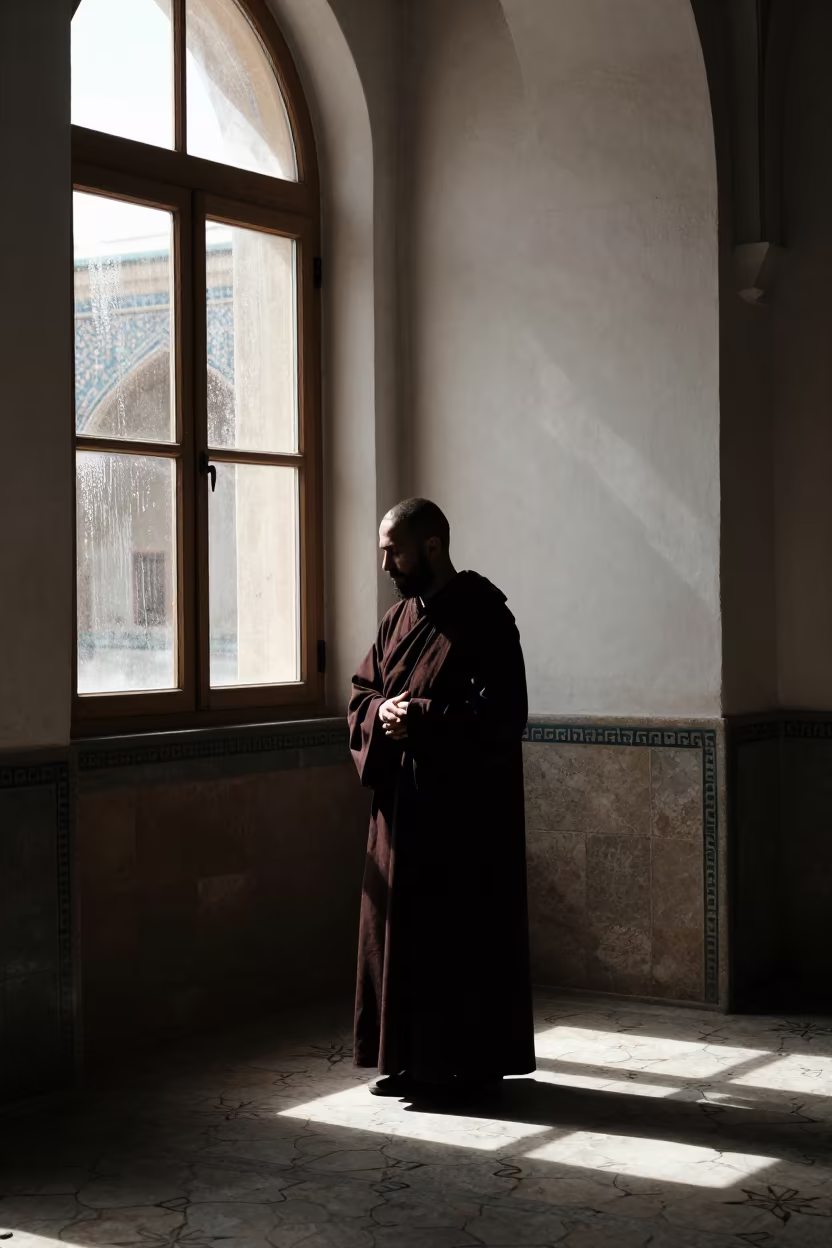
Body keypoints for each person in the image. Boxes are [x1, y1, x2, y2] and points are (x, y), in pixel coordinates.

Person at [347, 497, 535, 1101]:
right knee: (401, 936)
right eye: (382, 551)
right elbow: (360, 695)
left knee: (458, 938)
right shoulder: (397, 621)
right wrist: (384, 711)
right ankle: (405, 1060)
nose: (385, 565)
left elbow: (504, 715)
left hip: (463, 820)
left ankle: (466, 1067)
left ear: (431, 546)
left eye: (393, 550)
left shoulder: (484, 616)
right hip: (402, 813)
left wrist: (421, 719)